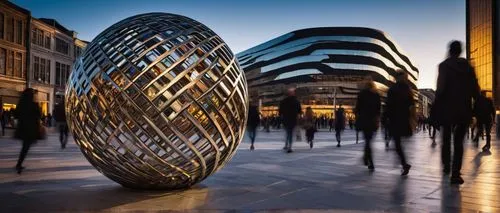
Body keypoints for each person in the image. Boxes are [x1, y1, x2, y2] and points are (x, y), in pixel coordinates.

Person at [433, 40, 480, 184]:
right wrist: (474, 108)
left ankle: (446, 166)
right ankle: (455, 173)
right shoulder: (468, 67)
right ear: (460, 51)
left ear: (450, 50)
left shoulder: (444, 66)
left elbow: (440, 90)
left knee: (446, 139)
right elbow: (475, 90)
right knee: (459, 142)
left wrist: (435, 108)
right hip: (463, 109)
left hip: (446, 110)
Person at [386, 71, 414, 176]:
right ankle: (404, 164)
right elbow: (411, 104)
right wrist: (412, 118)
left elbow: (389, 105)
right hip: (403, 119)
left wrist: (385, 118)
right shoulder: (407, 89)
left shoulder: (393, 89)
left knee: (397, 144)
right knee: (398, 144)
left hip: (395, 119)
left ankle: (404, 164)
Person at [355, 76, 381, 171]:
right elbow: (378, 110)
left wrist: (357, 117)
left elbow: (357, 108)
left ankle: (368, 158)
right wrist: (377, 120)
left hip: (364, 120)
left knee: (367, 141)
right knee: (369, 141)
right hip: (372, 120)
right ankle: (369, 160)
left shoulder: (361, 94)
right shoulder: (376, 95)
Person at [14, 88, 41, 174]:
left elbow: (16, 115)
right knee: (25, 147)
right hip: (31, 129)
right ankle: (19, 164)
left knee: (25, 146)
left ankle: (19, 163)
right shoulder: (34, 104)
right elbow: (39, 115)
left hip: (23, 128)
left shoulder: (21, 103)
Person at [279, 88, 302, 153]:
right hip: (293, 119)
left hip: (286, 119)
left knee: (288, 132)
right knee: (290, 132)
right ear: (293, 94)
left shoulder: (284, 101)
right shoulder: (296, 101)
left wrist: (280, 116)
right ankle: (289, 146)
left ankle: (287, 144)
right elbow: (299, 111)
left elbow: (280, 111)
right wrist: (299, 116)